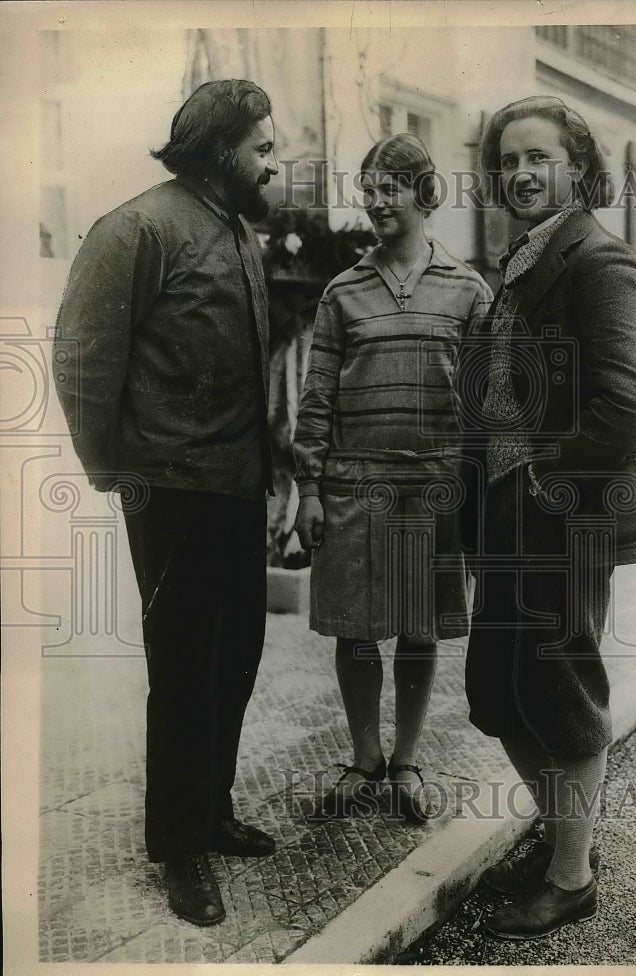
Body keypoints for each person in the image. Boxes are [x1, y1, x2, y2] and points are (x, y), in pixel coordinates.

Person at [54, 80, 279, 927]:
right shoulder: (137, 228)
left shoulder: (236, 231)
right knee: (183, 674)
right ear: (223, 152)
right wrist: (113, 469)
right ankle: (179, 849)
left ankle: (212, 813)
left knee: (237, 660)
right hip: (173, 494)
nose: (273, 159)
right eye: (262, 146)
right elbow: (81, 358)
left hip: (238, 489)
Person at [458, 96, 636, 938]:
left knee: (560, 686)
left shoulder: (598, 261)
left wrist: (543, 468)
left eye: (538, 158)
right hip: (510, 514)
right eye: (508, 160)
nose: (520, 174)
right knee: (496, 692)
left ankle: (571, 876)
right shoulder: (526, 256)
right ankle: (564, 841)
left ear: (577, 166)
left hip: (566, 512)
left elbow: (631, 404)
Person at [293, 133, 492, 823]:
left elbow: (485, 405)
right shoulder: (342, 292)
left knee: (418, 630)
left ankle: (405, 761)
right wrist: (310, 489)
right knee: (356, 631)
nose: (376, 201)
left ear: (424, 193)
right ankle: (364, 758)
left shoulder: (468, 290)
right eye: (368, 188)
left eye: (389, 188)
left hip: (434, 489)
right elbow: (316, 396)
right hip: (353, 487)